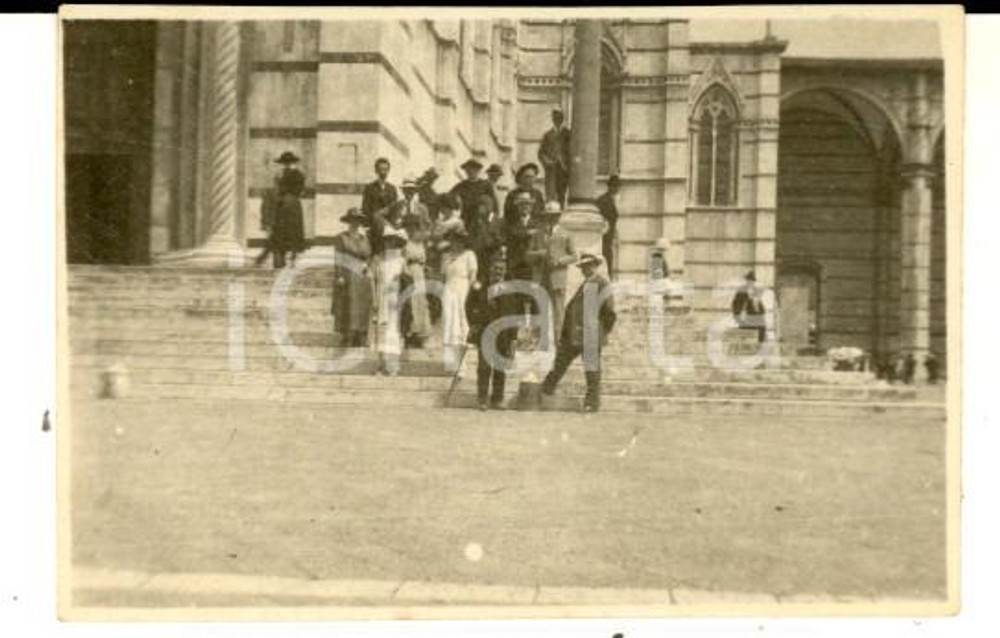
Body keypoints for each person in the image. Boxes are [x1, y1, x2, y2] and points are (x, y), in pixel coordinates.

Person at [541, 253, 617, 413]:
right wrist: (565, 334)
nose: (585, 269)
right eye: (583, 266)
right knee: (560, 363)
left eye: (589, 265)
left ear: (596, 266)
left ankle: (591, 403)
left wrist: (600, 332)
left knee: (592, 371)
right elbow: (572, 311)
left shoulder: (602, 284)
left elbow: (609, 313)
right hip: (574, 335)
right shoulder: (585, 284)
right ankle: (544, 392)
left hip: (590, 335)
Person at [465, 250, 520, 411]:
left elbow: (514, 315)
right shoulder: (480, 286)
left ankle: (497, 399)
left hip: (503, 334)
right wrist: (474, 323)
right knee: (484, 367)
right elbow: (469, 306)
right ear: (490, 268)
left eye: (502, 269)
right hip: (485, 331)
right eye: (496, 268)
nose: (499, 272)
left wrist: (513, 338)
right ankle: (482, 399)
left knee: (500, 367)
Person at [528, 200, 577, 343]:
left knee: (558, 309)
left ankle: (558, 339)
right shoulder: (537, 234)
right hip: (541, 276)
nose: (551, 218)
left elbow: (574, 256)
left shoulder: (566, 234)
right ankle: (539, 339)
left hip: (558, 276)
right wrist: (539, 254)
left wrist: (560, 261)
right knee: (540, 307)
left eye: (554, 215)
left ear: (559, 216)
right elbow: (528, 255)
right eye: (548, 215)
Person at [369, 200, 409, 375]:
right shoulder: (378, 260)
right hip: (381, 298)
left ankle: (392, 366)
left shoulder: (400, 261)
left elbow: (406, 282)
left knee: (393, 330)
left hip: (394, 301)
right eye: (387, 241)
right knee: (380, 330)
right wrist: (375, 300)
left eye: (393, 242)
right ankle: (379, 364)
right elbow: (373, 280)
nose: (390, 245)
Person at [255, 151, 307, 268]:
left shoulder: (298, 175)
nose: (287, 165)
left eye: (289, 162)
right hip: (281, 208)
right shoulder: (282, 174)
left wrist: (280, 185)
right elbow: (278, 191)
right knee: (278, 235)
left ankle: (288, 258)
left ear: (293, 163)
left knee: (290, 234)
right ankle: (277, 260)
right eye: (285, 163)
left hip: (291, 207)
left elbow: (297, 191)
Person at [330, 208, 373, 347]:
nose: (355, 223)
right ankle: (348, 334)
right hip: (347, 272)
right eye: (353, 220)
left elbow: (368, 255)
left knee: (362, 304)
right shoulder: (342, 237)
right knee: (348, 303)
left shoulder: (364, 238)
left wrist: (367, 266)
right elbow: (338, 258)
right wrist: (340, 275)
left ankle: (361, 333)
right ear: (348, 222)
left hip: (362, 275)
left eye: (358, 221)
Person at [441, 227, 478, 371]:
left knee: (462, 320)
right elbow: (443, 275)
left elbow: (473, 275)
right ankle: (451, 363)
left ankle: (462, 363)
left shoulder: (469, 255)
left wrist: (472, 292)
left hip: (463, 287)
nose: (456, 243)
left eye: (459, 240)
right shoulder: (446, 256)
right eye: (453, 239)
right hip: (449, 288)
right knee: (449, 321)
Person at [400, 210, 431, 349]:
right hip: (408, 272)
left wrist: (424, 268)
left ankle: (419, 334)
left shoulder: (419, 243)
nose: (411, 229)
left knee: (420, 302)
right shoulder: (403, 242)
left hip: (419, 273)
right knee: (410, 303)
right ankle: (408, 333)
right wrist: (406, 272)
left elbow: (423, 260)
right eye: (408, 226)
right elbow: (401, 259)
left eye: (414, 226)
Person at [467, 193, 505, 286]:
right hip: (479, 256)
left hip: (493, 256)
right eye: (479, 205)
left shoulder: (497, 221)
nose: (480, 208)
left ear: (489, 206)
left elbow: (501, 239)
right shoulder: (476, 221)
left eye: (482, 205)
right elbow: (470, 237)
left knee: (493, 282)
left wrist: (492, 242)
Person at [538, 108, 571, 206]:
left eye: (559, 117)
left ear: (562, 119)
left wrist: (567, 165)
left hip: (563, 170)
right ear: (553, 119)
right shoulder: (547, 135)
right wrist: (547, 161)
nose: (557, 120)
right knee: (550, 193)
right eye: (555, 118)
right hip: (551, 169)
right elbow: (541, 153)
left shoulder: (568, 134)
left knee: (561, 194)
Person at [450, 158, 494, 230]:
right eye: (467, 169)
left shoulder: (486, 185)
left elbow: (494, 208)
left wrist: (489, 222)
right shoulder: (461, 185)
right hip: (465, 221)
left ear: (478, 170)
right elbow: (449, 198)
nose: (470, 171)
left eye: (473, 169)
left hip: (482, 222)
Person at [503, 163, 546, 227]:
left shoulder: (538, 194)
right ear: (520, 178)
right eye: (527, 177)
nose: (531, 179)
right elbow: (508, 216)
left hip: (535, 228)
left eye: (533, 177)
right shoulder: (512, 195)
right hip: (516, 229)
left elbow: (542, 213)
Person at [361, 157, 398, 229]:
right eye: (381, 169)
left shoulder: (392, 189)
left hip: (389, 226)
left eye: (386, 169)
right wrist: (377, 214)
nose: (383, 173)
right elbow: (365, 209)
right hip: (374, 226)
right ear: (376, 171)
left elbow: (395, 209)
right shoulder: (369, 188)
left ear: (388, 171)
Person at [595, 174, 621, 279]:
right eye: (613, 186)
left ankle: (608, 278)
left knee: (609, 257)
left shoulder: (614, 200)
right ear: (609, 186)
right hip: (603, 236)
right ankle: (606, 279)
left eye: (617, 186)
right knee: (605, 258)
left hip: (609, 236)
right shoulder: (602, 200)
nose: (615, 188)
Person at [731, 270, 767, 343]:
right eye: (749, 280)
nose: (751, 282)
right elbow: (736, 304)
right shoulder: (741, 291)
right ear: (746, 280)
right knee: (745, 335)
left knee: (761, 334)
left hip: (757, 317)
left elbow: (759, 304)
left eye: (752, 281)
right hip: (747, 317)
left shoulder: (756, 290)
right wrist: (737, 317)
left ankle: (760, 346)